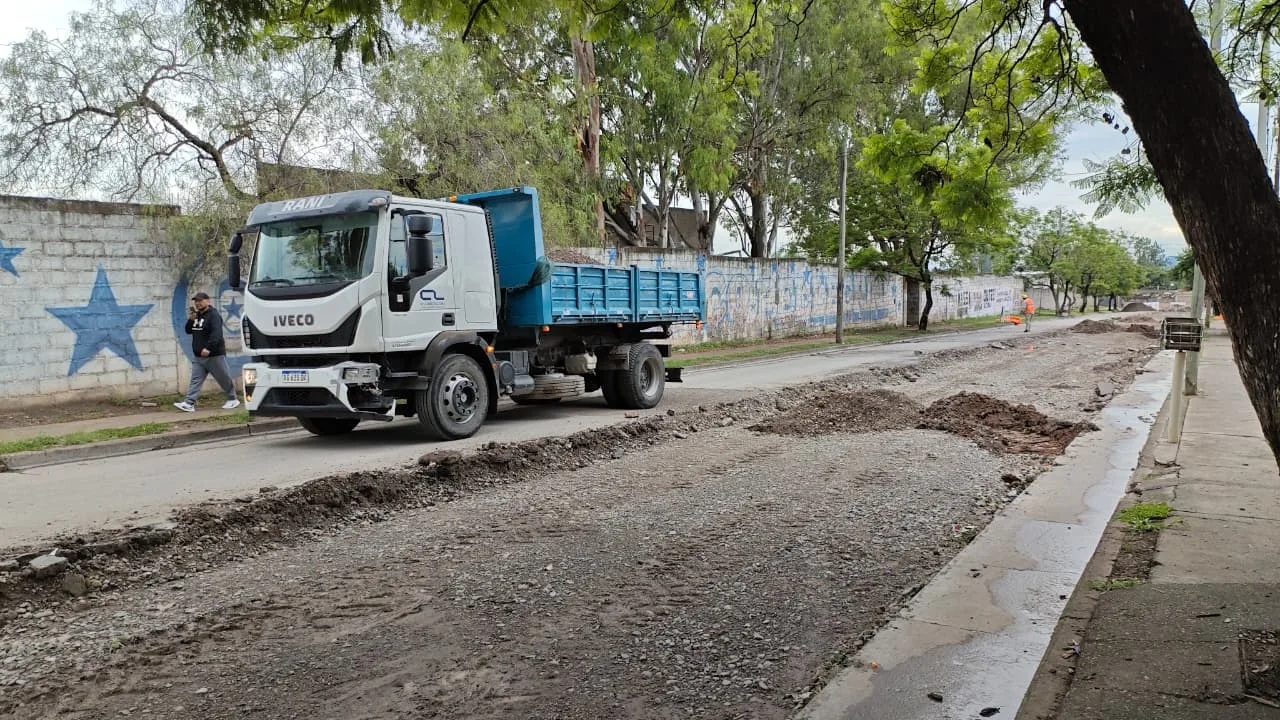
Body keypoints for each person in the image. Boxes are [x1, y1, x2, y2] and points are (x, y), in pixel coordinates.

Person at [174, 292, 240, 412]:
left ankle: (233, 399)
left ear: (208, 301)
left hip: (214, 355)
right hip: (199, 356)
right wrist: (190, 320)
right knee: (195, 380)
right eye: (196, 301)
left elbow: (217, 334)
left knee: (223, 378)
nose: (198, 303)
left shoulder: (214, 315)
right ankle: (189, 403)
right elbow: (188, 331)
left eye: (200, 301)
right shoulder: (197, 315)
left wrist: (209, 348)